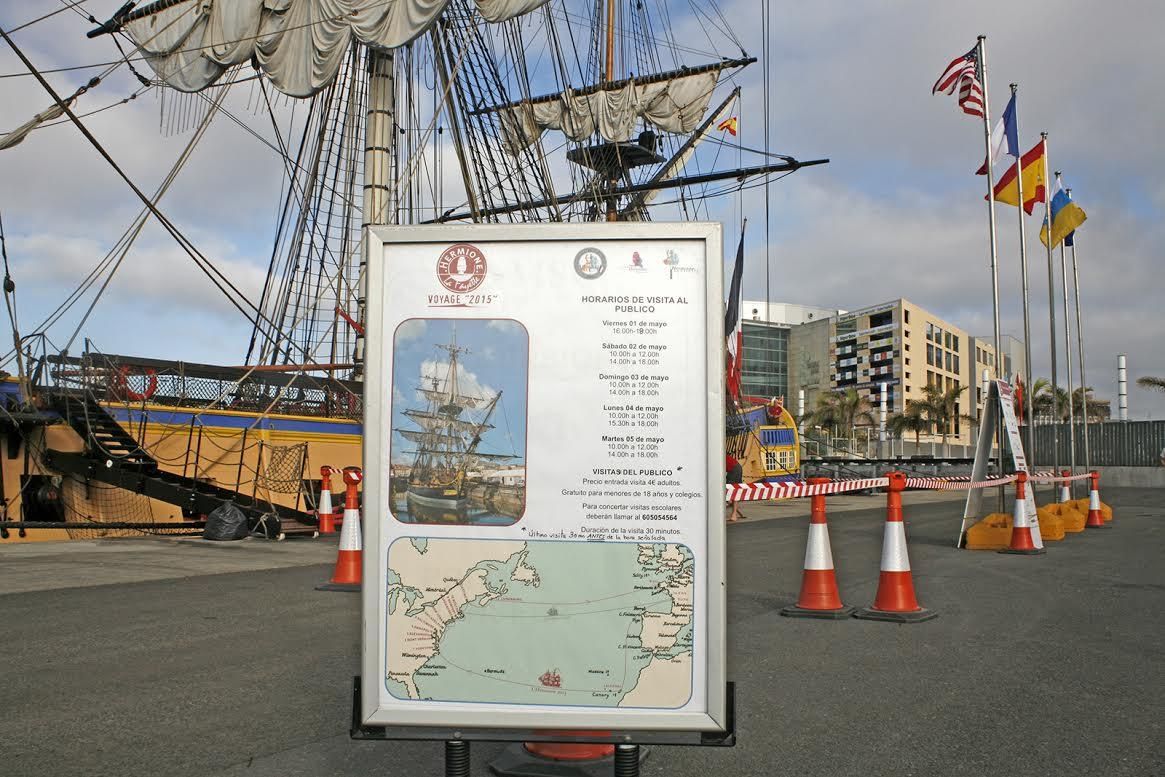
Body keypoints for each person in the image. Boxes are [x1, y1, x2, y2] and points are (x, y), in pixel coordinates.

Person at [726, 453, 744, 522]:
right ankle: (734, 515)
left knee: (730, 491)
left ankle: (730, 503)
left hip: (733, 469)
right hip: (737, 467)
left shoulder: (717, 457)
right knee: (735, 492)